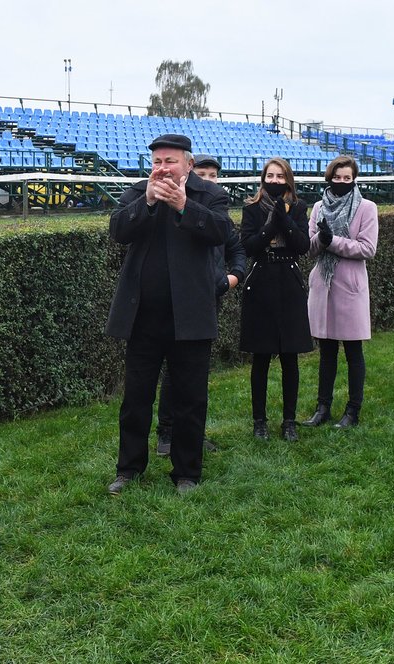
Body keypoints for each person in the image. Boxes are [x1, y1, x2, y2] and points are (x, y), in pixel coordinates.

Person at [105, 134, 231, 495]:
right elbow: (118, 230)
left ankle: (187, 473)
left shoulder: (210, 194)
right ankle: (128, 469)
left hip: (190, 316)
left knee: (190, 399)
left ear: (188, 165)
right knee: (136, 399)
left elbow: (222, 231)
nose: (162, 168)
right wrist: (146, 202)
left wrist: (183, 207)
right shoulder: (139, 192)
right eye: (157, 161)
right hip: (142, 315)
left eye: (170, 161)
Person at [155, 154, 245, 456]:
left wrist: (232, 279)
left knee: (195, 371)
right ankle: (166, 433)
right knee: (174, 369)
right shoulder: (180, 208)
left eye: (212, 176)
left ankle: (191, 434)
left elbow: (236, 248)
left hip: (209, 299)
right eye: (202, 175)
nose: (207, 181)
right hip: (180, 299)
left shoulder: (217, 212)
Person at [239, 157, 312, 441]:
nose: (275, 181)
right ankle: (260, 421)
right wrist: (271, 225)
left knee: (289, 356)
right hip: (261, 282)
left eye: (280, 176)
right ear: (263, 178)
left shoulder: (299, 207)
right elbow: (249, 246)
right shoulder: (252, 207)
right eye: (270, 176)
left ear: (288, 179)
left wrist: (285, 219)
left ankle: (289, 421)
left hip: (289, 283)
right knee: (261, 357)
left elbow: (302, 246)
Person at [303, 156, 378, 428]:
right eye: (338, 177)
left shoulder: (366, 208)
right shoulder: (318, 207)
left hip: (350, 287)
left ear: (354, 179)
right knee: (327, 351)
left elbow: (367, 249)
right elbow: (309, 249)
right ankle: (322, 408)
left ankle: (353, 410)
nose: (342, 182)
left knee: (353, 351)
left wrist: (332, 240)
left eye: (347, 178)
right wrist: (319, 240)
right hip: (323, 285)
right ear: (329, 177)